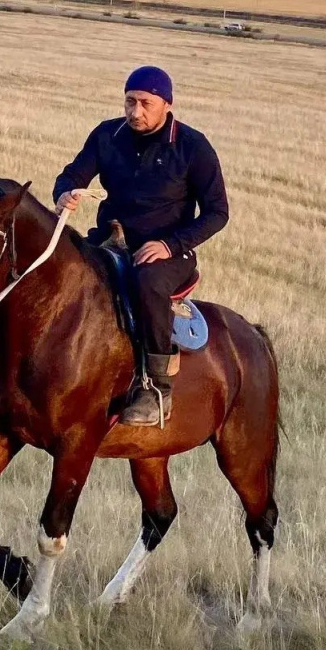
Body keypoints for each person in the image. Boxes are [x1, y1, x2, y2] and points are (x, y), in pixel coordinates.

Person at [53, 65, 229, 426]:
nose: (135, 112)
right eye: (129, 102)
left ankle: (157, 388)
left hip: (168, 253)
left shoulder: (193, 147)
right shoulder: (107, 135)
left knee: (147, 282)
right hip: (110, 239)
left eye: (145, 103)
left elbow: (217, 213)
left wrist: (169, 244)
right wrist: (65, 192)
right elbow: (72, 174)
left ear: (167, 104)